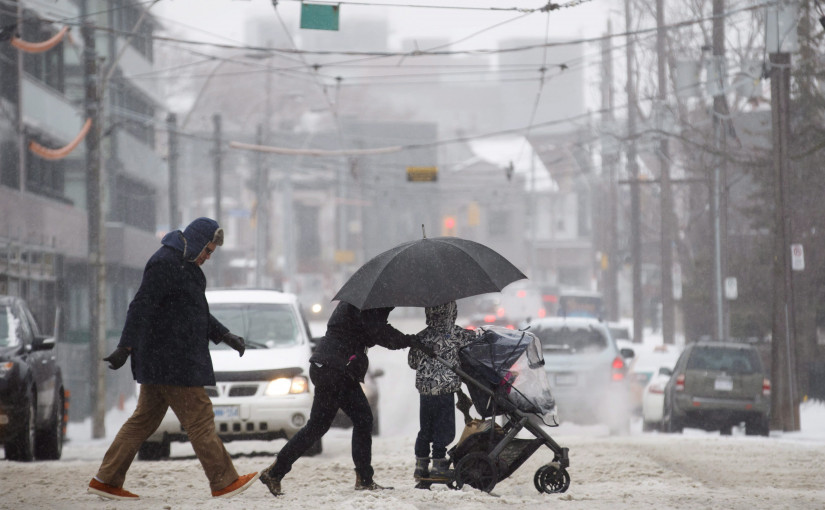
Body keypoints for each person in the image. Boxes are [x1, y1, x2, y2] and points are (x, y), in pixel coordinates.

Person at [86, 217, 259, 501]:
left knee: (142, 421)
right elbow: (141, 305)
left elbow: (194, 311)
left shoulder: (184, 265)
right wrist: (124, 347)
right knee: (200, 419)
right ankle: (224, 480)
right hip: (173, 360)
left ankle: (106, 479)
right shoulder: (165, 263)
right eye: (207, 250)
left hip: (164, 360)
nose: (207, 257)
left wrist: (226, 335)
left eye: (211, 253)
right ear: (197, 242)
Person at [259, 301, 417, 497]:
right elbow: (378, 332)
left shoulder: (359, 301)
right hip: (337, 368)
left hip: (326, 365)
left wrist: (401, 338)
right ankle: (364, 479)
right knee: (361, 419)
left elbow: (374, 331)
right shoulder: (366, 305)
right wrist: (409, 340)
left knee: (320, 425)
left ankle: (275, 472)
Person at [407, 301, 476, 484]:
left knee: (426, 427)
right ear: (452, 312)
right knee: (443, 428)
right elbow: (472, 345)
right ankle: (438, 463)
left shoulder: (421, 336)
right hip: (445, 391)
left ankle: (421, 464)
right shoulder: (456, 334)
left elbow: (413, 363)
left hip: (426, 391)